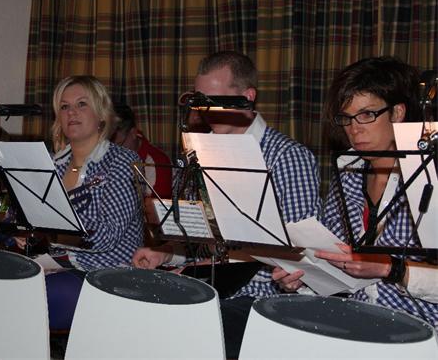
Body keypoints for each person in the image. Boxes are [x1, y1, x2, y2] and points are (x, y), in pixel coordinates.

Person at [132, 51, 321, 357]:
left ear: (248, 97)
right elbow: (204, 238)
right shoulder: (201, 152)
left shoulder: (287, 157)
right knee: (132, 313)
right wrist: (167, 253)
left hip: (265, 296)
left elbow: (301, 253)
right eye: (200, 101)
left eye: (216, 100)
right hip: (214, 289)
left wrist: (201, 274)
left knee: (180, 333)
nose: (206, 110)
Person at [274, 56, 438, 326]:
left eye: (366, 115)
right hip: (354, 320)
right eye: (347, 118)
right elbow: (338, 269)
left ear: (397, 113)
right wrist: (303, 279)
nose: (354, 129)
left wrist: (392, 269)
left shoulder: (430, 175)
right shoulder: (348, 171)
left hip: (422, 329)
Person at [37, 75, 144, 331]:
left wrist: (52, 231)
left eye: (81, 104)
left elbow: (108, 236)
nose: (71, 112)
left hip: (108, 274)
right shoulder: (51, 164)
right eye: (64, 106)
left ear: (102, 114)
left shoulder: (122, 161)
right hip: (55, 266)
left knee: (31, 300)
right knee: (0, 286)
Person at [111, 104, 173, 199]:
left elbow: (156, 207)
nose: (113, 151)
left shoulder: (159, 162)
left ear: (133, 133)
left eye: (119, 144)